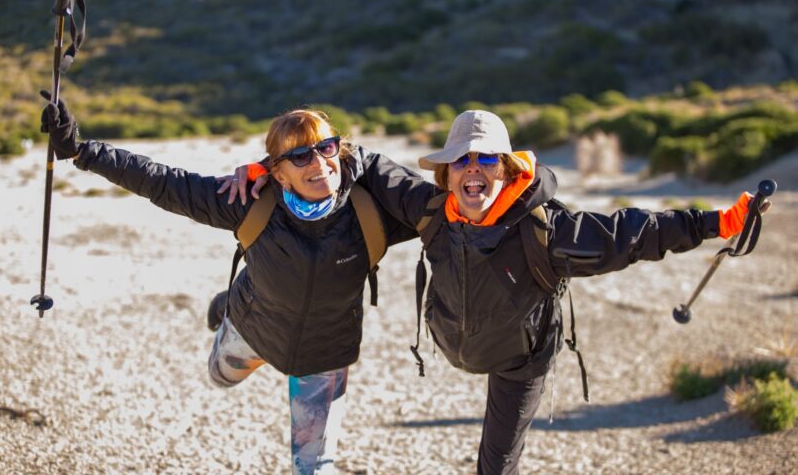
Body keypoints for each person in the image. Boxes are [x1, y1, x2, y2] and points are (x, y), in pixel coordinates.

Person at [234, 109, 761, 475]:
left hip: (520, 358)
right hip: (455, 341)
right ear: (446, 172)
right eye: (462, 160)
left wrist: (718, 220)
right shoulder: (430, 208)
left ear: (508, 169)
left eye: (487, 159)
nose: (473, 169)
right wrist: (273, 167)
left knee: (497, 465)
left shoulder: (545, 231)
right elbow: (363, 161)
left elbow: (635, 231)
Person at [39, 94, 416, 474]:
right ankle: (229, 307)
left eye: (326, 148)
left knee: (314, 469)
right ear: (278, 172)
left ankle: (236, 300)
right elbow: (164, 183)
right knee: (219, 378)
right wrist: (81, 152)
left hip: (323, 356)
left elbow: (439, 208)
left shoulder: (370, 212)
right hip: (254, 327)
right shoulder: (249, 200)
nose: (318, 163)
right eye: (300, 156)